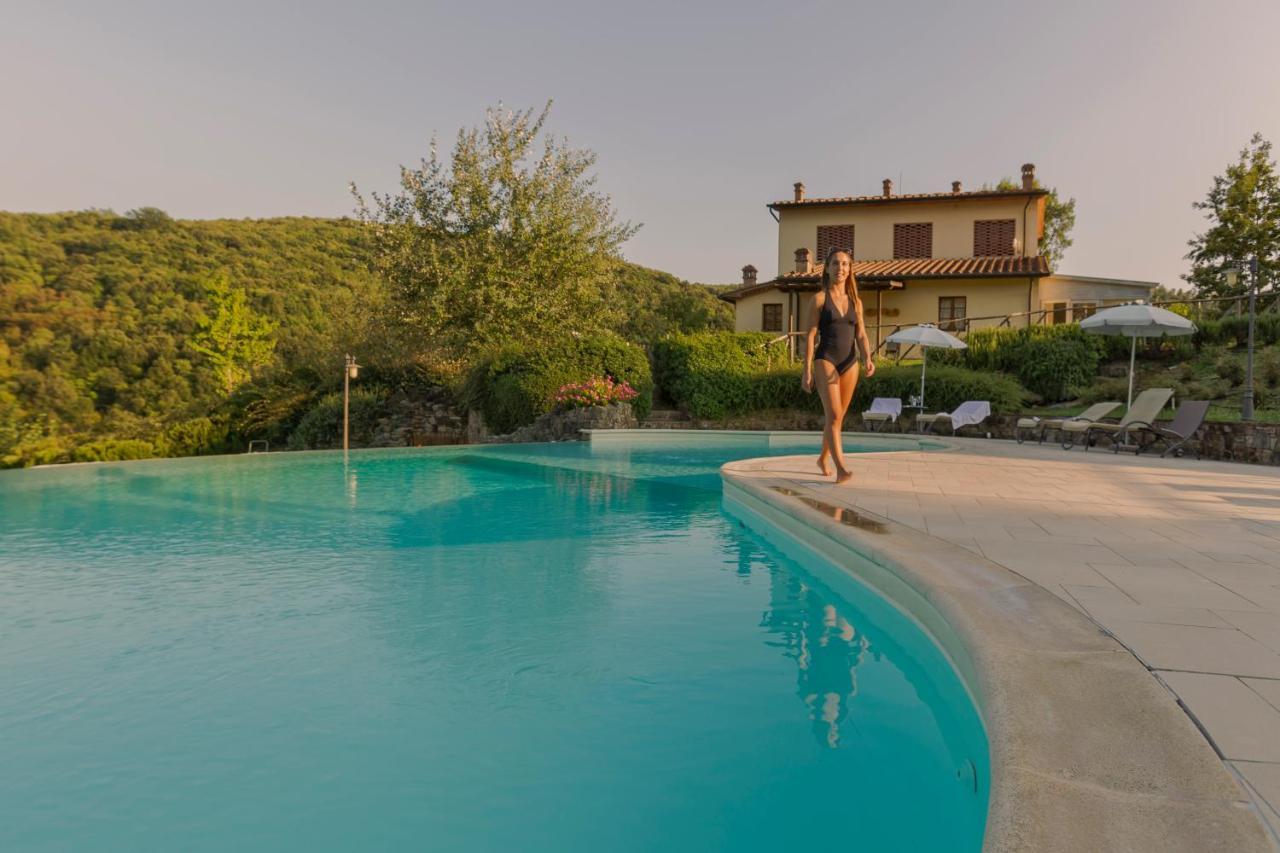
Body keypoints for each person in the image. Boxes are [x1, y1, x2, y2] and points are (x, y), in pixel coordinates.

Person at [801, 249, 874, 483]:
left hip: (850, 362)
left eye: (844, 264)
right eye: (835, 264)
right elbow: (811, 335)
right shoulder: (820, 299)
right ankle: (841, 468)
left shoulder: (856, 302)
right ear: (827, 268)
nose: (840, 268)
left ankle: (823, 458)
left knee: (838, 417)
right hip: (826, 359)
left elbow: (861, 334)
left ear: (850, 269)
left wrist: (868, 358)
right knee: (833, 415)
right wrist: (807, 370)